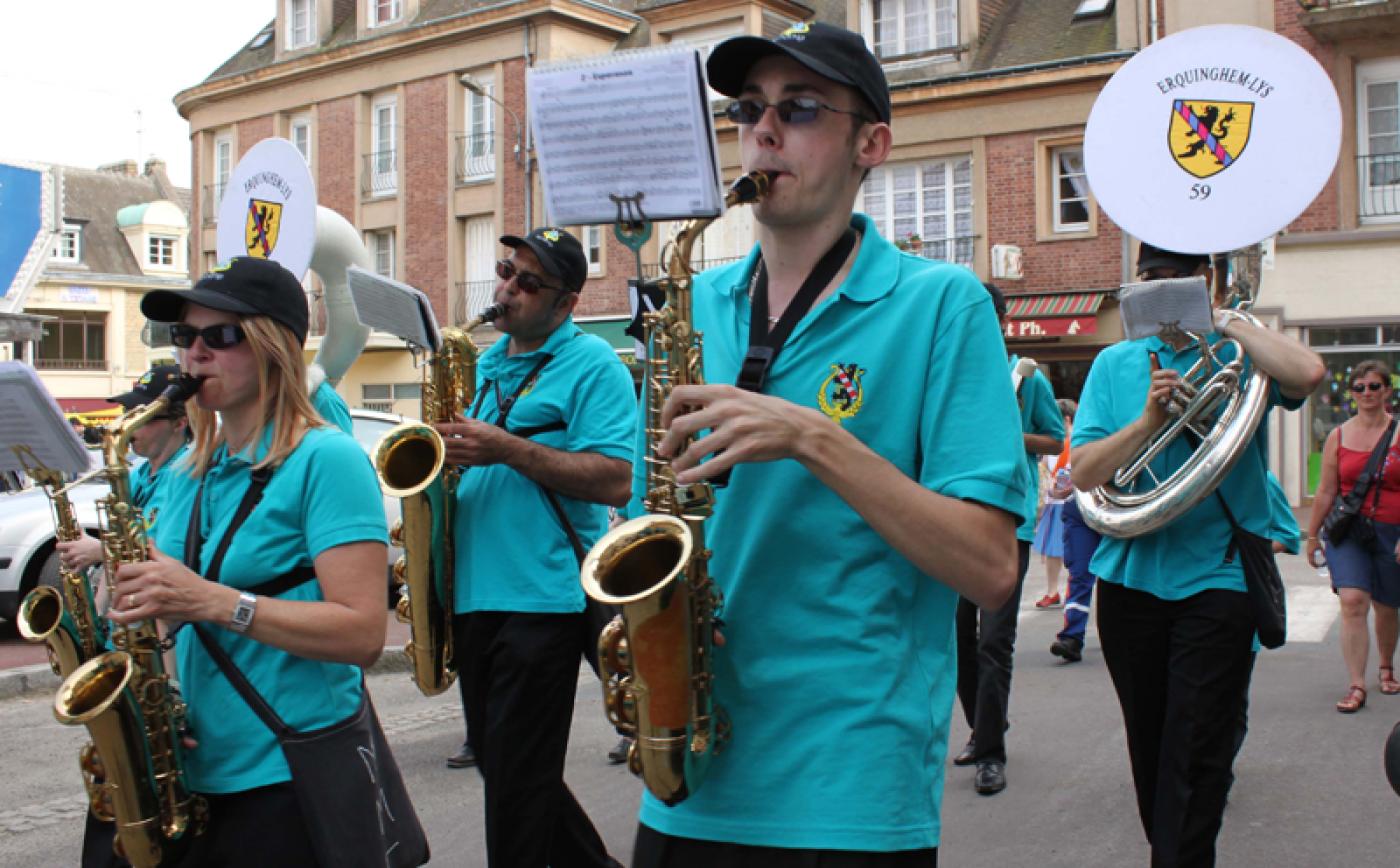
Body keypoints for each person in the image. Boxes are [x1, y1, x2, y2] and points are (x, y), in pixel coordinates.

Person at [628, 22, 1026, 865]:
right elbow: (640, 530)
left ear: (870, 144)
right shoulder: (688, 310)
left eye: (800, 109)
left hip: (851, 786)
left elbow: (990, 568)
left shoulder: (943, 304)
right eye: (747, 110)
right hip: (690, 772)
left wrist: (813, 437)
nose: (763, 132)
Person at [114, 256, 392, 865]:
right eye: (185, 337)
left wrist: (213, 601)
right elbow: (166, 608)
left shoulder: (328, 460)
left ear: (274, 347)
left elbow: (365, 632)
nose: (194, 354)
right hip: (197, 770)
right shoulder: (190, 471)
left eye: (221, 336)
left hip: (289, 771)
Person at [1072, 241, 1325, 867]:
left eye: (1176, 277)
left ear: (1205, 278)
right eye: (1149, 277)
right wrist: (1146, 422)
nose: (1161, 286)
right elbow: (1083, 473)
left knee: (1197, 753)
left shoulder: (1240, 351)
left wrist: (1224, 317)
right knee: (1153, 753)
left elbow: (1309, 373)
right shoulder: (1114, 364)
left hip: (1219, 578)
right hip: (1130, 581)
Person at [436, 226, 633, 868]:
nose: (508, 289)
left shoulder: (593, 365)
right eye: (507, 272)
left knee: (518, 786)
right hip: (474, 594)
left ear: (566, 303)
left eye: (529, 282)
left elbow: (615, 474)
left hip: (543, 596)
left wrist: (507, 449)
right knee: (505, 769)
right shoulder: (483, 363)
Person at [953, 283, 1064, 796]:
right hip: (953, 519)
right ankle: (984, 727)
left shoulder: (1028, 374)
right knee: (957, 638)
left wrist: (1009, 436)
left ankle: (990, 753)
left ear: (1000, 320)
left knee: (994, 639)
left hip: (1008, 520)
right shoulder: (952, 371)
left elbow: (1057, 439)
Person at [1305, 359, 1400, 712]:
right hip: (1348, 532)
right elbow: (1327, 490)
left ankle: (1386, 666)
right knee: (1352, 601)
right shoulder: (1338, 436)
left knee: (1387, 605)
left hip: (1392, 530)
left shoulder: (1399, 433)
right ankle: (1357, 684)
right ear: (1351, 394)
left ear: (1387, 390)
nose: (1366, 393)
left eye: (1374, 386)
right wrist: (1313, 536)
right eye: (1359, 388)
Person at [57, 364, 193, 577]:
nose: (126, 425)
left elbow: (176, 556)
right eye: (125, 414)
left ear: (179, 423)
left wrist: (101, 550)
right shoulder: (137, 473)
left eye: (140, 418)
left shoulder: (189, 475)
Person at [1033, 398, 1077, 608]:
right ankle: (1052, 591)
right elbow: (1044, 467)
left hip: (1071, 503)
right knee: (1051, 550)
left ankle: (1072, 589)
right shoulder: (1055, 441)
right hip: (1054, 502)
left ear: (1066, 419)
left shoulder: (1078, 440)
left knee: (1073, 550)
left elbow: (1071, 472)